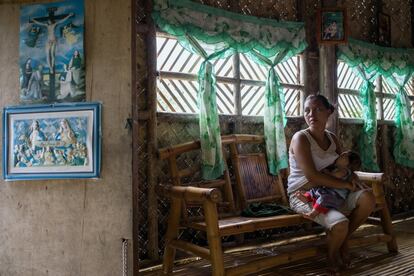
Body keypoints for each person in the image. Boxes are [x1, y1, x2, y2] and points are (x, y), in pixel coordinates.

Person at [287, 94, 376, 274]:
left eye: (318, 109)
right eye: (307, 110)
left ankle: (342, 240)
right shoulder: (300, 138)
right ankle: (333, 253)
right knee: (340, 224)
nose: (311, 114)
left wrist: (353, 179)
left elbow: (345, 164)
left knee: (368, 198)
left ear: (329, 112)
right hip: (305, 195)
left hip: (333, 191)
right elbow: (312, 176)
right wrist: (345, 185)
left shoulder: (332, 138)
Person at [295, 150, 365, 219]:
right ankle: (307, 198)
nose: (341, 155)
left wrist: (328, 173)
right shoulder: (337, 168)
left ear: (348, 164)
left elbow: (336, 176)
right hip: (328, 191)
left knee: (324, 199)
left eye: (344, 156)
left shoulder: (344, 171)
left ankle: (313, 213)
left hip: (336, 196)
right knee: (314, 190)